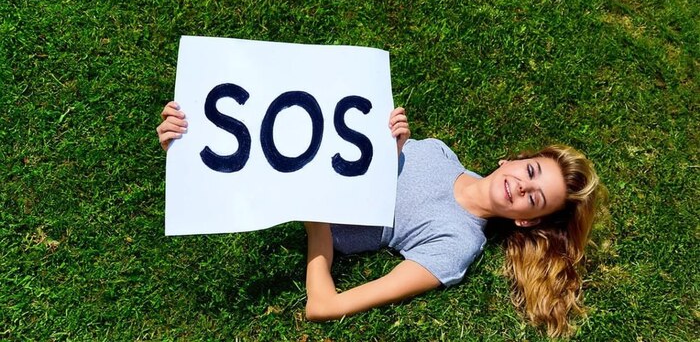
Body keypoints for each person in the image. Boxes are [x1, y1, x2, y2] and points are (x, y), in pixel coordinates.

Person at [157, 101, 603, 337]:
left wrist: (316, 223)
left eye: (534, 199)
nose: (522, 187)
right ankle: (182, 144)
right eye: (530, 172)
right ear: (513, 159)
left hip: (300, 203)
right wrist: (383, 144)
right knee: (184, 127)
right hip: (303, 161)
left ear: (526, 222)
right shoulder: (441, 152)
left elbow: (325, 306)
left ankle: (192, 155)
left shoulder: (458, 245)